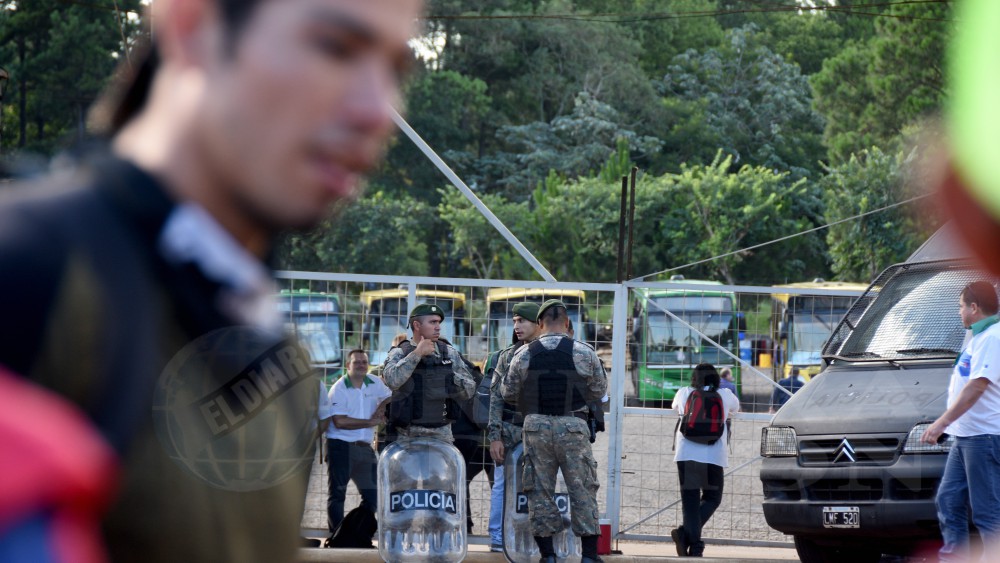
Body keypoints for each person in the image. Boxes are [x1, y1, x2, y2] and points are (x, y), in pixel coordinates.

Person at [0, 1, 422, 561]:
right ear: (192, 26)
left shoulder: (276, 356)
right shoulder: (30, 275)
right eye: (334, 47)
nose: (378, 109)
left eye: (395, 69)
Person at [501, 300, 608, 563]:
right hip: (572, 425)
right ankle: (590, 557)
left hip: (535, 426)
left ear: (539, 324)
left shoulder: (524, 354)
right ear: (567, 323)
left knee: (539, 490)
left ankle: (548, 555)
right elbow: (599, 390)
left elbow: (508, 392)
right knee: (582, 489)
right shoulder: (584, 352)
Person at [920, 281, 1000, 561]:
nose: (959, 312)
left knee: (988, 513)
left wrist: (941, 423)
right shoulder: (979, 336)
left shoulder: (994, 337)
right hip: (966, 437)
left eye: (961, 306)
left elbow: (976, 387)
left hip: (984, 437)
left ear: (974, 308)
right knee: (949, 500)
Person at [486, 301, 541, 552]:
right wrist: (494, 436)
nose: (517, 326)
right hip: (510, 433)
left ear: (538, 323)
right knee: (503, 485)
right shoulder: (507, 355)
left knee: (541, 487)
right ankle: (498, 538)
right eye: (515, 321)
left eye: (523, 321)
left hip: (543, 434)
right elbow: (495, 398)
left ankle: (539, 539)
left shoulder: (550, 352)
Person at [670, 363, 740, 558]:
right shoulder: (725, 394)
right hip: (714, 455)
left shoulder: (685, 392)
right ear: (716, 378)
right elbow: (736, 408)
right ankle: (690, 540)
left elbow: (675, 407)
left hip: (687, 454)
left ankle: (691, 539)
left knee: (690, 501)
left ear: (695, 377)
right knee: (712, 499)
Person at [322, 349, 391, 542]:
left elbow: (391, 395)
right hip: (341, 446)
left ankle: (357, 532)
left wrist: (381, 407)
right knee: (337, 494)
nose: (361, 365)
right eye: (356, 362)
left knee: (374, 495)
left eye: (364, 362)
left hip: (364, 447)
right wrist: (371, 422)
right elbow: (340, 422)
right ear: (347, 366)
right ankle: (336, 536)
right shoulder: (339, 388)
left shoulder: (374, 382)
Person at [382, 304, 476, 443]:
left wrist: (446, 376)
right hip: (407, 436)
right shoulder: (400, 353)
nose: (438, 327)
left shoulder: (449, 353)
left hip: (441, 434)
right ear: (417, 325)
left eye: (439, 322)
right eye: (432, 322)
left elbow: (469, 390)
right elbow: (392, 381)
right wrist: (417, 354)